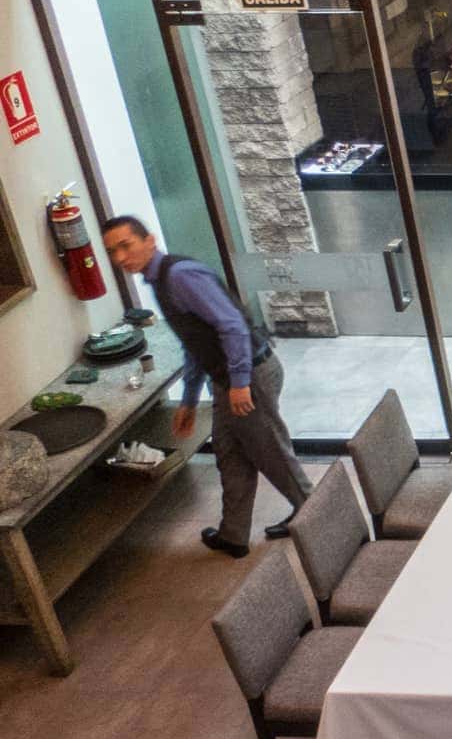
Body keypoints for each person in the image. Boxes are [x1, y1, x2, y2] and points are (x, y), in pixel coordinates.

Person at [101, 215, 311, 558]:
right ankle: (234, 535)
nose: (121, 257)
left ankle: (316, 515)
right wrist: (188, 399)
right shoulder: (160, 281)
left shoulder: (180, 277)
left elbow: (231, 326)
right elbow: (196, 342)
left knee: (272, 454)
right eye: (113, 251)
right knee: (230, 455)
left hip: (248, 376)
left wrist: (241, 382)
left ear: (149, 241)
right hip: (228, 380)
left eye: (126, 245)